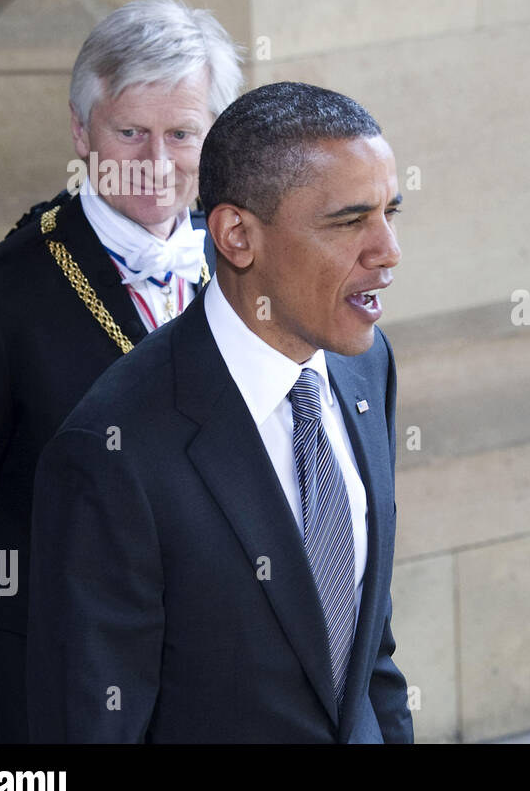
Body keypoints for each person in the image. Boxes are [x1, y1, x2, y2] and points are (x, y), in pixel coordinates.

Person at [27, 81, 412, 743]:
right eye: (350, 221)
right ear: (237, 234)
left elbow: (368, 655)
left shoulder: (365, 368)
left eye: (390, 212)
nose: (387, 251)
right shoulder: (111, 452)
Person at [0, 0, 241, 743]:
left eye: (183, 134)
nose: (157, 165)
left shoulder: (249, 273)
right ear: (80, 130)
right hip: (56, 706)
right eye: (130, 133)